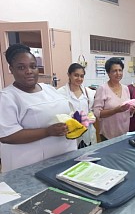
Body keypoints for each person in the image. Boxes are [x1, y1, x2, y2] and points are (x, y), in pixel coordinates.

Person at [0, 43, 77, 172]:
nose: (29, 71)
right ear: (11, 69)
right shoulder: (7, 97)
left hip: (64, 159)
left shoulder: (49, 89)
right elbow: (7, 136)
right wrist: (48, 132)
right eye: (21, 67)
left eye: (33, 66)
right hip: (30, 167)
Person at [93, 57, 135, 140]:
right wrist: (115, 110)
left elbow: (126, 110)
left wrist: (131, 110)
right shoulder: (102, 89)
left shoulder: (125, 88)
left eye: (120, 70)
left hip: (124, 131)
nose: (118, 73)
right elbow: (97, 113)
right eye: (114, 71)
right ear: (108, 73)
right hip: (108, 134)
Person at [57, 63, 97, 148]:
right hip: (71, 132)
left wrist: (90, 117)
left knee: (88, 154)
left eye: (82, 76)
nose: (79, 79)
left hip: (87, 132)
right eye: (76, 75)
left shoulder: (88, 92)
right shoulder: (60, 93)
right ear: (69, 75)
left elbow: (91, 110)